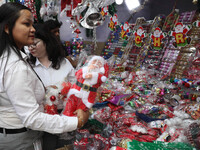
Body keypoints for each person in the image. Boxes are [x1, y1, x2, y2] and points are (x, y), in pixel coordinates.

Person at [0, 2, 89, 150]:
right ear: (7, 28)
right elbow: (31, 119)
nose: (33, 29)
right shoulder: (15, 66)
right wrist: (77, 122)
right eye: (26, 24)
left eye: (32, 24)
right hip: (20, 139)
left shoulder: (8, 58)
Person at [28, 23, 76, 150]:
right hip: (42, 119)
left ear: (46, 41)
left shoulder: (64, 63)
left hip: (65, 115)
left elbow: (76, 88)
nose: (31, 48)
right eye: (28, 45)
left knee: (66, 146)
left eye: (35, 43)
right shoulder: (28, 67)